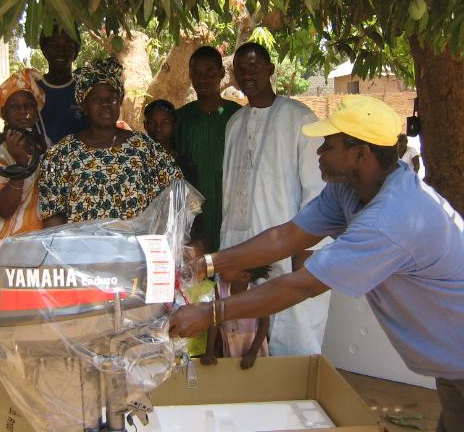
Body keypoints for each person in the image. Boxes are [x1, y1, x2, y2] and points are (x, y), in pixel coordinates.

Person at [169, 95, 464, 432]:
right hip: (451, 359)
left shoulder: (391, 219)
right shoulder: (350, 188)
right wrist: (207, 265)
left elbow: (302, 285)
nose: (319, 152)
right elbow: (287, 236)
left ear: (360, 153)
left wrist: (211, 313)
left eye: (329, 145)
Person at [221, 42, 329, 356]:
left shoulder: (300, 118)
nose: (247, 74)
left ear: (270, 69)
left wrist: (306, 248)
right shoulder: (234, 124)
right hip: (240, 247)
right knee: (241, 337)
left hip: (288, 249)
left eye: (255, 66)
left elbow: (317, 190)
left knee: (292, 334)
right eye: (241, 69)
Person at [39, 57, 182, 225]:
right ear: (83, 105)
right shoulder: (61, 154)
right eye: (96, 99)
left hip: (135, 242)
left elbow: (177, 196)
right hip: (82, 243)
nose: (106, 104)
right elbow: (53, 217)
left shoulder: (144, 148)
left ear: (119, 101)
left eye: (112, 98)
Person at [175, 46, 241, 253]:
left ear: (221, 73)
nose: (203, 79)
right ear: (190, 75)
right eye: (197, 73)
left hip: (231, 204)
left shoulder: (238, 116)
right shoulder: (180, 119)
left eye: (209, 73)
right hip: (192, 208)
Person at [0, 68, 50, 238]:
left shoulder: (45, 144)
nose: (23, 110)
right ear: (4, 113)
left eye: (29, 105)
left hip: (43, 239)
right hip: (9, 242)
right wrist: (21, 165)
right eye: (14, 106)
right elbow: (4, 209)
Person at [201, 267, 270, 370]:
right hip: (231, 345)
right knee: (233, 372)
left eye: (229, 266)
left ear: (245, 276)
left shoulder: (257, 292)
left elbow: (264, 325)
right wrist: (209, 350)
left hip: (254, 346)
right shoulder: (219, 289)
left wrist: (253, 352)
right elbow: (215, 320)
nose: (221, 268)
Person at [37, 24, 88, 143]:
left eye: (68, 45)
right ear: (44, 50)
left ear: (76, 51)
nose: (61, 51)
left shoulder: (86, 90)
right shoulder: (32, 90)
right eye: (53, 45)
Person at [143, 99, 198, 188]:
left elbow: (190, 196)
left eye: (165, 122)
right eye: (152, 122)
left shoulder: (185, 167)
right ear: (145, 125)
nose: (158, 128)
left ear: (175, 125)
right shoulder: (137, 161)